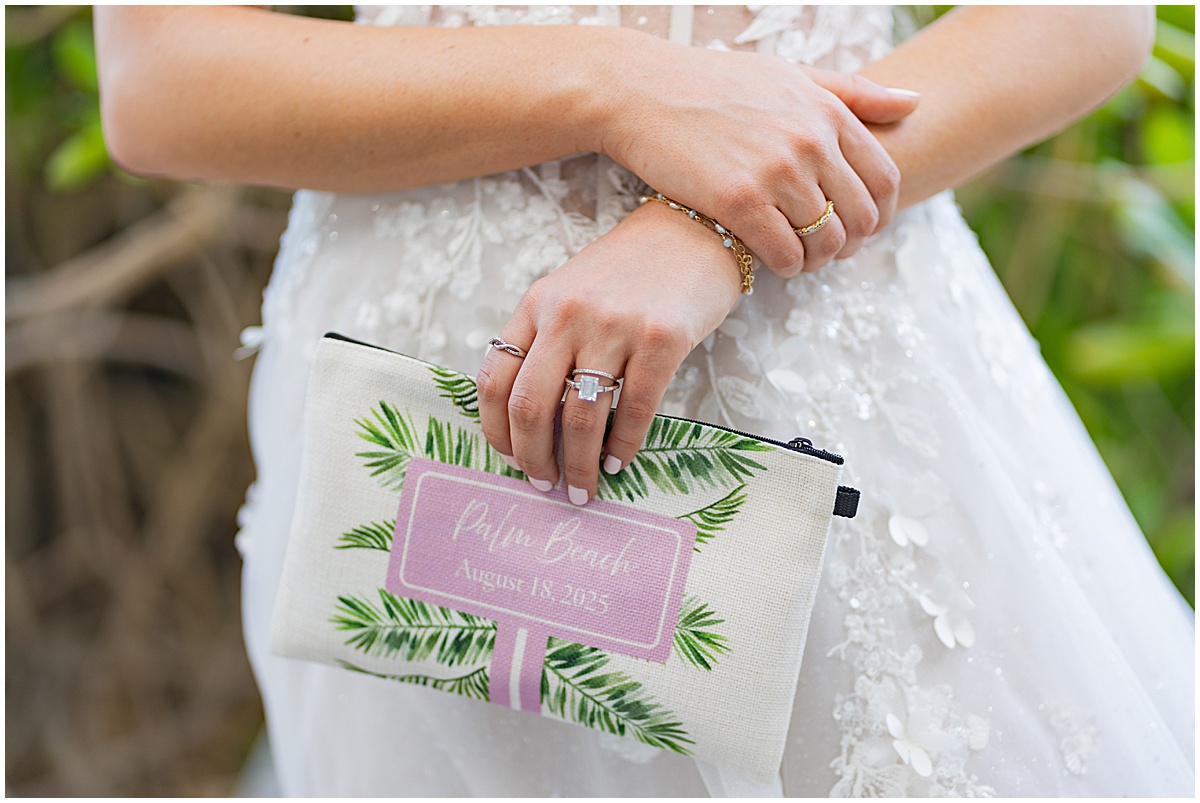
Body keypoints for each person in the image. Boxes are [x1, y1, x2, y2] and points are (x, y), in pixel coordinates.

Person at [95, 5, 1194, 796]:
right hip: (436, 406)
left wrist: (714, 232)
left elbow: (1089, 17)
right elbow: (159, 75)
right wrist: (615, 84)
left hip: (837, 360)